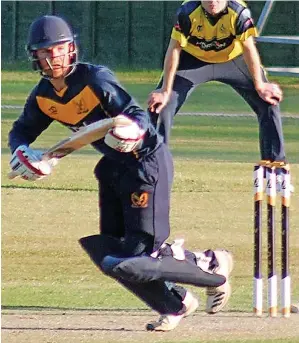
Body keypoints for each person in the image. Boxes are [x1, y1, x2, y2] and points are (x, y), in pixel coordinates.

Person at [8, 15, 234, 332]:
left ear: (71, 49)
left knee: (138, 257)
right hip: (113, 168)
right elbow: (21, 130)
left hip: (146, 161)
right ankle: (177, 301)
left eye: (57, 49)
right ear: (35, 56)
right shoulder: (44, 98)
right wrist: (20, 152)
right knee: (111, 253)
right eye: (44, 52)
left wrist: (132, 130)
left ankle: (213, 267)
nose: (52, 57)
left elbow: (135, 115)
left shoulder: (95, 79)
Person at [148, 0, 286, 167]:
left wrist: (260, 86)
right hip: (193, 61)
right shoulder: (187, 12)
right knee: (161, 105)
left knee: (268, 101)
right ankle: (154, 165)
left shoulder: (239, 13)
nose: (213, 1)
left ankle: (275, 164)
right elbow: (174, 49)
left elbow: (249, 48)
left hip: (233, 60)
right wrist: (165, 90)